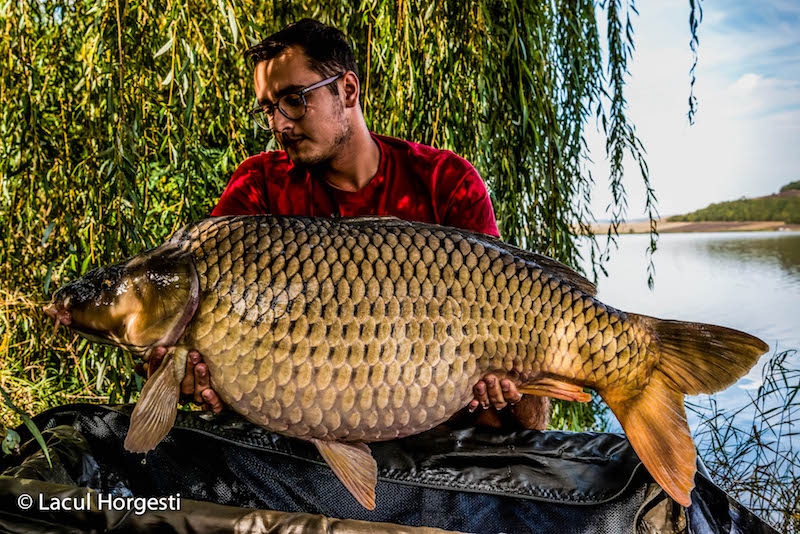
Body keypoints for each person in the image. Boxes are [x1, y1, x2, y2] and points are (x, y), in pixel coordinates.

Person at [146, 18, 550, 431]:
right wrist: (191, 370)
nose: (279, 124)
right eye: (268, 108)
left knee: (524, 386)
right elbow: (206, 312)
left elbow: (505, 301)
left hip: (436, 411)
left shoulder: (445, 180)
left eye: (293, 99)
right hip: (308, 408)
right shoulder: (260, 187)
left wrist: (508, 378)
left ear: (348, 90)